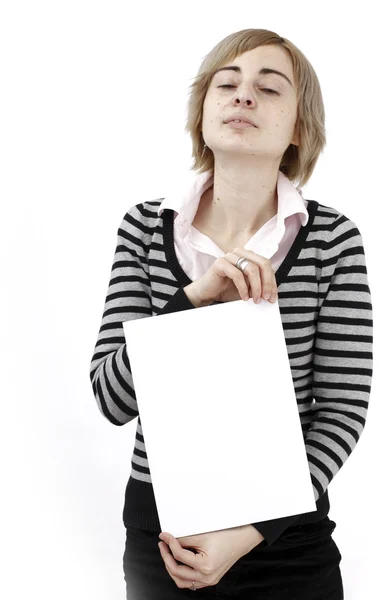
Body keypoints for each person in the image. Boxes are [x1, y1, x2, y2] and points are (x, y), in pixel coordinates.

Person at [89, 28, 373, 599]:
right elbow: (112, 398)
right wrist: (192, 299)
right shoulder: (145, 230)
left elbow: (341, 409)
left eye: (269, 89)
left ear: (298, 127)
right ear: (203, 112)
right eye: (227, 83)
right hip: (164, 544)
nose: (243, 96)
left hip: (289, 544)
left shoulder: (333, 240)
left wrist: (251, 532)